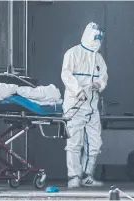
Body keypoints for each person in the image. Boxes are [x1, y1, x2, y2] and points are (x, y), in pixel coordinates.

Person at [61, 22, 108, 188]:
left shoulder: (99, 58)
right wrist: (78, 90)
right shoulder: (73, 53)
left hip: (92, 106)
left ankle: (87, 176)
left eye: (100, 38)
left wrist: (99, 85)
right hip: (75, 105)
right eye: (96, 37)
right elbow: (66, 74)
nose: (98, 40)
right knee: (74, 142)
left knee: (95, 143)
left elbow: (104, 76)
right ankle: (74, 176)